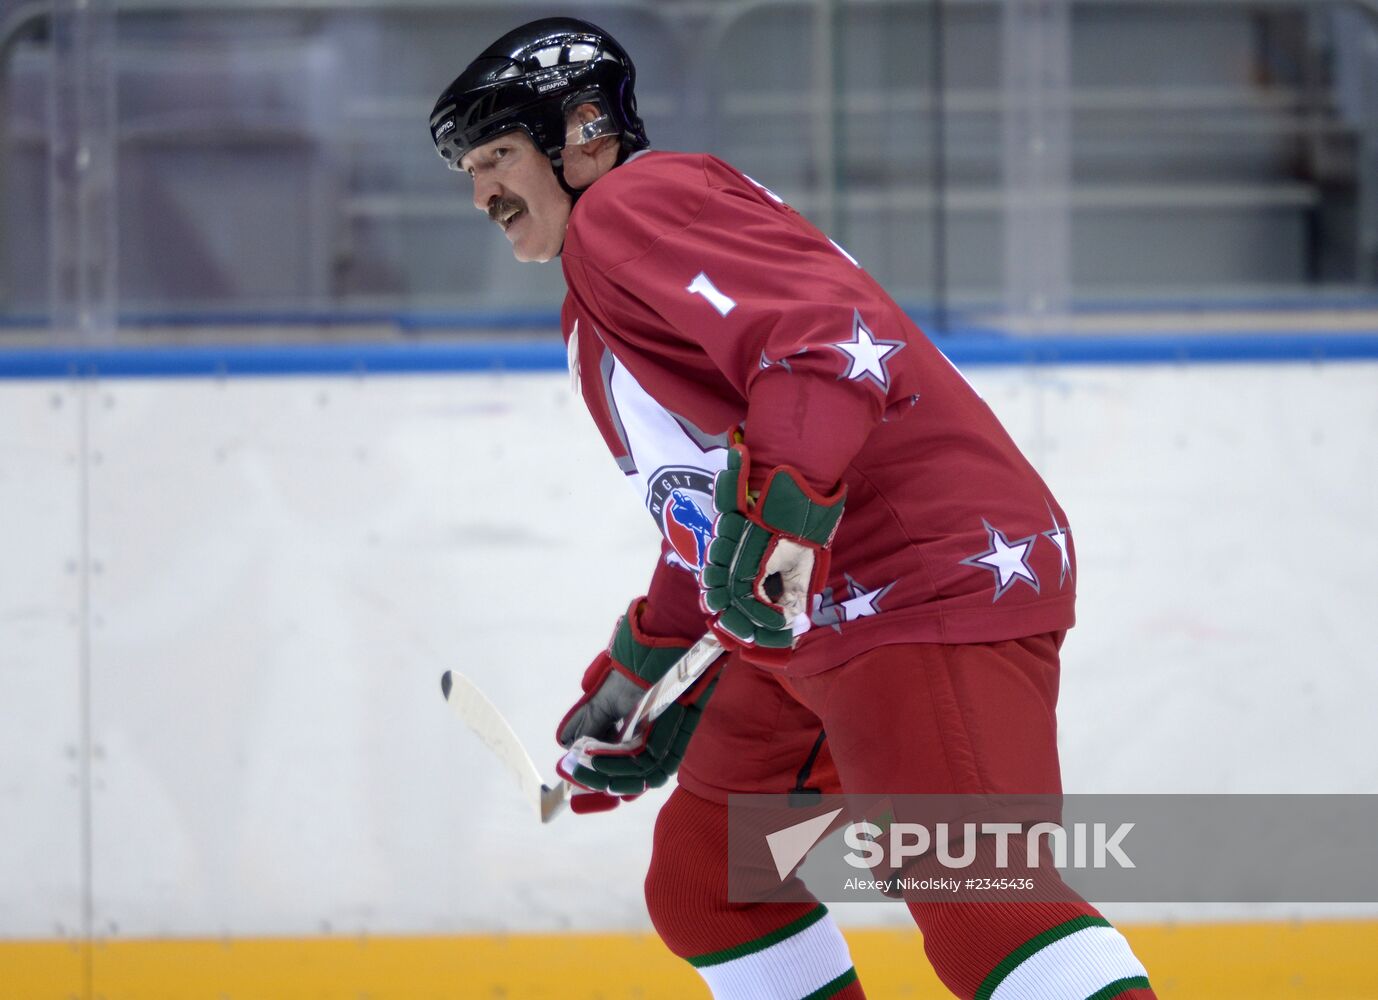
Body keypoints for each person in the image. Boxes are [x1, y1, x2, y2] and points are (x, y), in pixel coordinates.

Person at [430, 17, 1156, 1000]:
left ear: (586, 131)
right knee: (712, 882)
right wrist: (641, 680)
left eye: (497, 156)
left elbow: (821, 342)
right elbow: (710, 515)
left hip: (913, 574)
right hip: (823, 611)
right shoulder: (594, 306)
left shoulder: (634, 205)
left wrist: (782, 517)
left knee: (980, 893)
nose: (481, 192)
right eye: (467, 170)